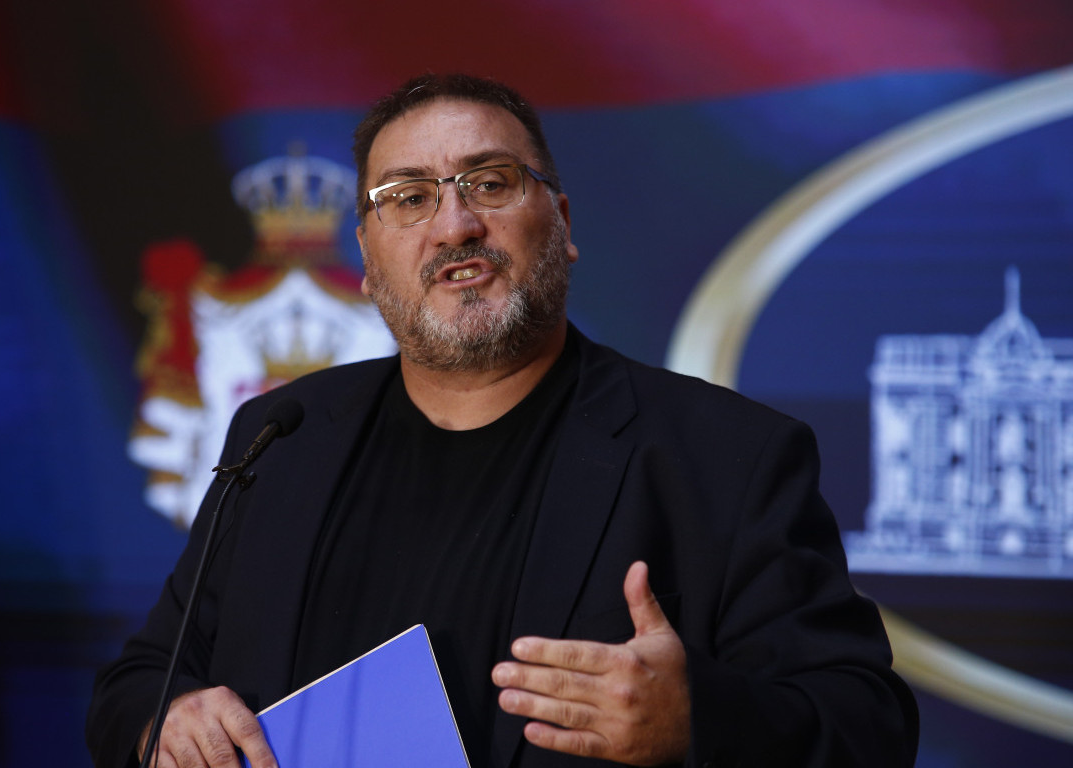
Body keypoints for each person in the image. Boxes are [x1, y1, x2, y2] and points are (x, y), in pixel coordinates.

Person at [87, 73, 919, 768]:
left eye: (490, 183)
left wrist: (697, 719)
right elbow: (143, 679)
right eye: (408, 197)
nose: (455, 226)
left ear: (563, 224)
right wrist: (170, 719)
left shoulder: (727, 455)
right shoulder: (282, 437)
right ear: (367, 261)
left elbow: (868, 726)